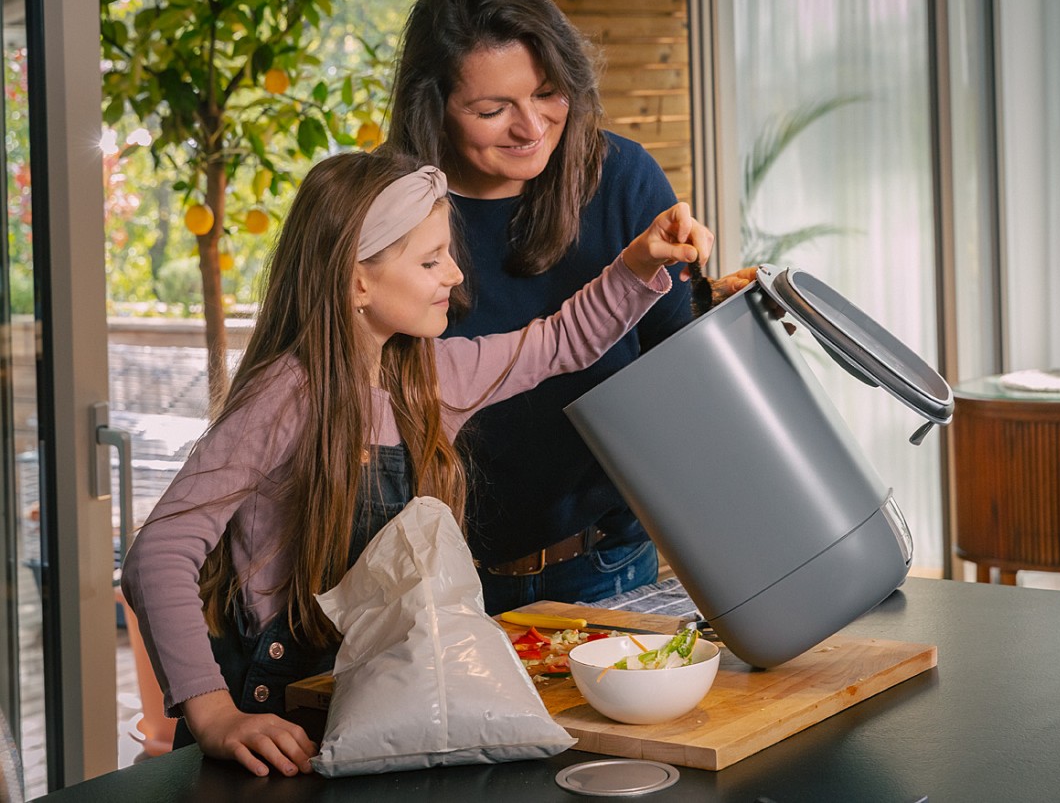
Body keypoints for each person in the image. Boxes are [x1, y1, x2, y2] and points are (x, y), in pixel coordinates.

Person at [120, 149, 726, 777]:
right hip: (278, 724)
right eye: (431, 260)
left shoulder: (430, 377)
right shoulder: (285, 395)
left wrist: (642, 259)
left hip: (375, 702)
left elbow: (559, 340)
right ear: (358, 282)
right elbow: (159, 553)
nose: (457, 275)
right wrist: (215, 714)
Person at [387, 0, 753, 613]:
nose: (531, 128)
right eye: (494, 108)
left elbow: (682, 365)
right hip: (444, 584)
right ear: (434, 108)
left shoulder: (621, 180)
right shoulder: (394, 214)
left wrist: (729, 318)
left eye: (548, 92)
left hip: (608, 564)